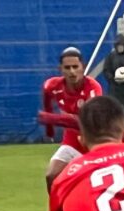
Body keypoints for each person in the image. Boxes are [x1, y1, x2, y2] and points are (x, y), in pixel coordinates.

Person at [42, 47, 103, 192]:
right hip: (71, 143)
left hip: (92, 144)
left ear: (83, 67)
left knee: (94, 184)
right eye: (67, 68)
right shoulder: (52, 85)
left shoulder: (93, 88)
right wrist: (50, 129)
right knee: (51, 176)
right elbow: (47, 107)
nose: (72, 72)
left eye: (75, 67)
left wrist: (58, 119)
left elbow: (90, 123)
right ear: (60, 69)